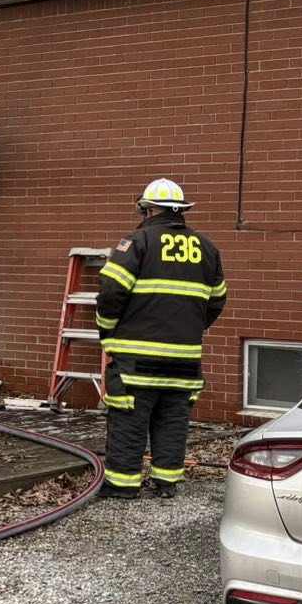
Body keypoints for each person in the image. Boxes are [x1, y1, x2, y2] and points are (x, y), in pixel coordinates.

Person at [95, 177, 227, 500]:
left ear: (148, 209)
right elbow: (217, 300)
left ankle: (122, 485)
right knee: (172, 420)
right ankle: (166, 483)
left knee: (129, 420)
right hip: (185, 361)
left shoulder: (137, 242)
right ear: (180, 211)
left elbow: (111, 292)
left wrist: (107, 330)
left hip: (136, 361)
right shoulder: (207, 249)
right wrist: (190, 329)